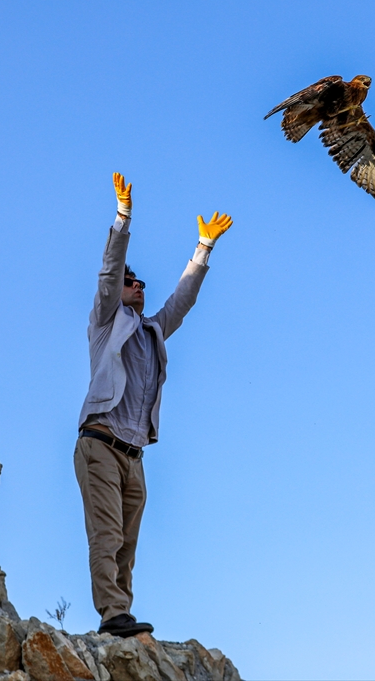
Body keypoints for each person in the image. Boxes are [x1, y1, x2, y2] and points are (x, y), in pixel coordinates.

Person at [75, 172, 233, 638]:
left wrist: (203, 249)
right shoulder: (106, 322)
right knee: (105, 535)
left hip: (134, 455)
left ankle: (120, 615)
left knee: (127, 543)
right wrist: (123, 216)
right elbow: (108, 272)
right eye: (130, 282)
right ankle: (112, 614)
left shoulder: (152, 331)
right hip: (100, 443)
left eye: (140, 282)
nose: (136, 286)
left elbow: (180, 304)